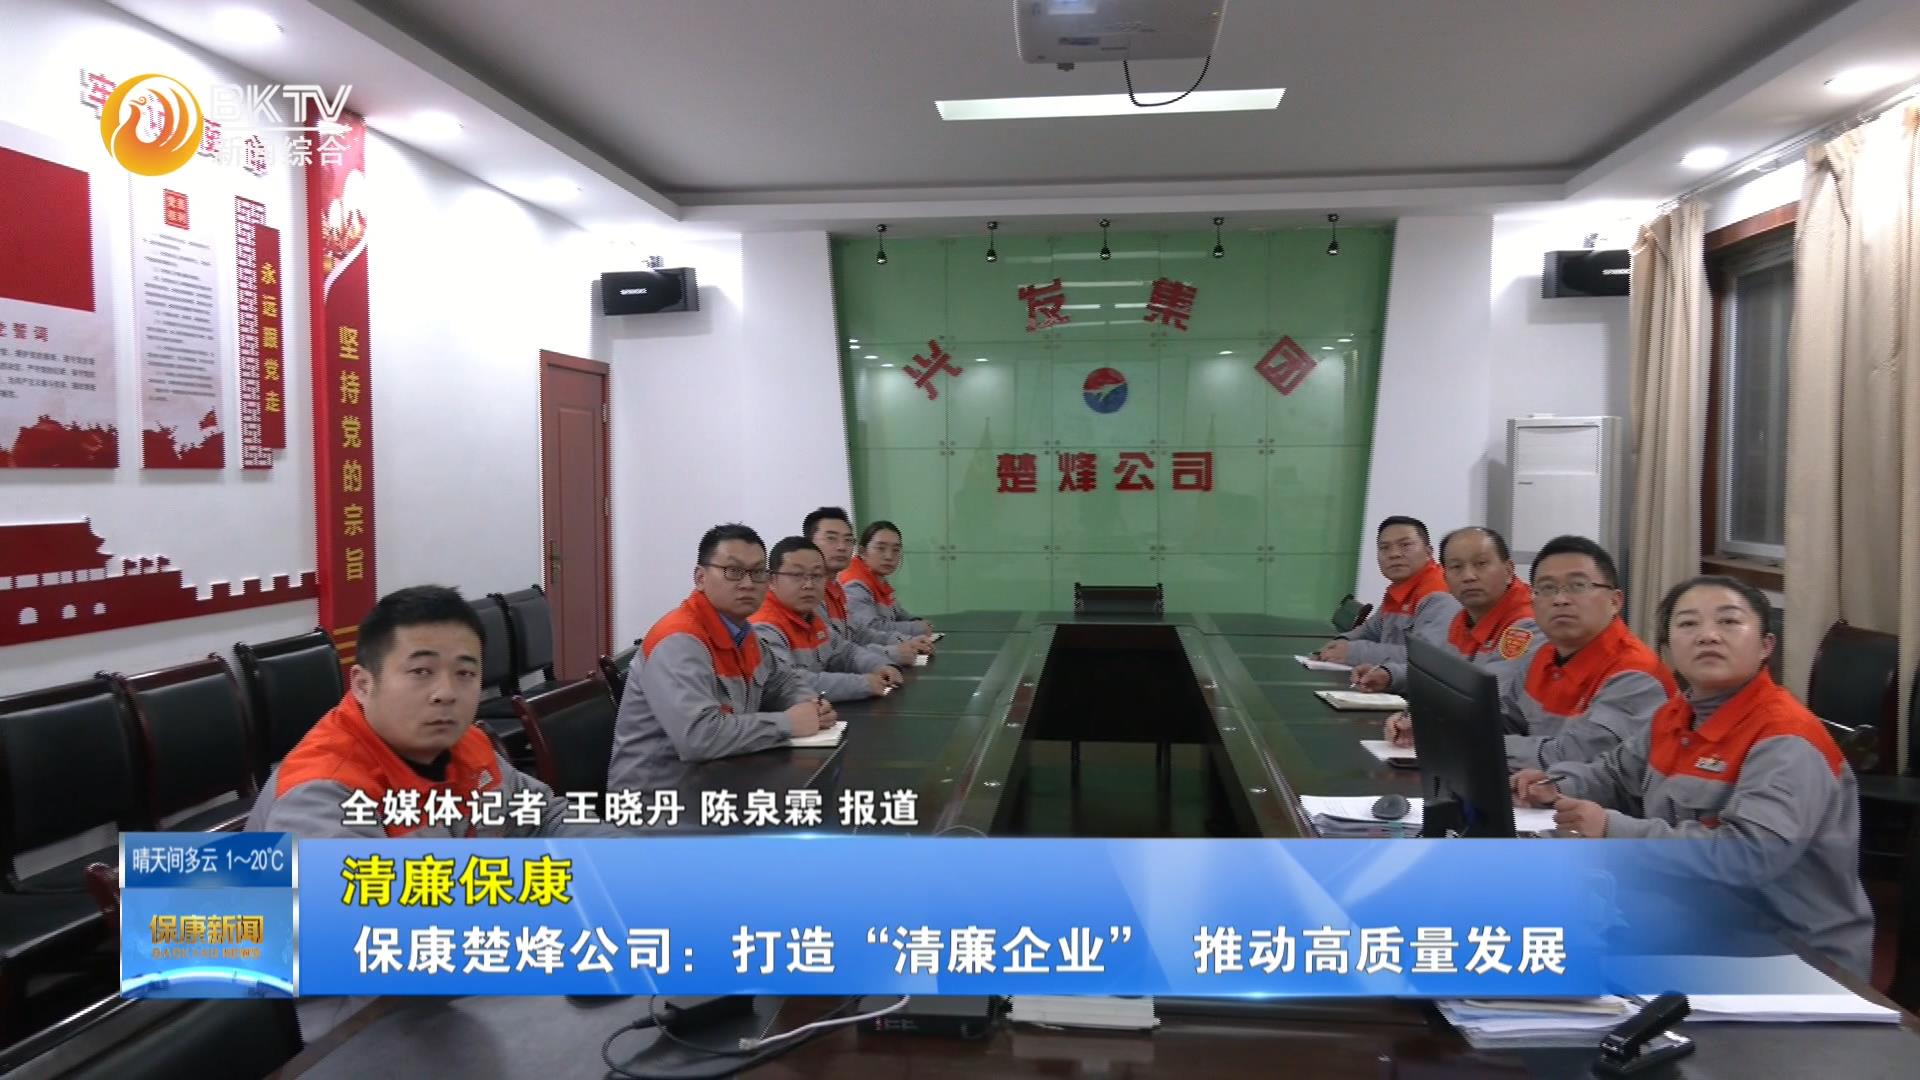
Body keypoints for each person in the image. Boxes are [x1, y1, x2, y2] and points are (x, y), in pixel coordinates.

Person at [1512, 576, 1875, 978]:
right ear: (1667, 649)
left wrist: (1612, 829)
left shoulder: (1786, 739)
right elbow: (1614, 774)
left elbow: (1749, 856)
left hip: (1787, 953)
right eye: (1688, 624)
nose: (1708, 636)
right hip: (1695, 916)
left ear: (1765, 645)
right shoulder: (1677, 714)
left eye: (1729, 622)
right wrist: (1555, 786)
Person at [247, 584, 587, 839]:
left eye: (465, 673)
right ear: (363, 685)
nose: (446, 693)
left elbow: (546, 817)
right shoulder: (319, 795)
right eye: (421, 671)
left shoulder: (469, 744)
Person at [608, 524, 835, 794]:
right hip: (661, 801)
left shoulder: (741, 631)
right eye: (733, 571)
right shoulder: (679, 641)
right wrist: (788, 724)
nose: (748, 583)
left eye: (757, 572)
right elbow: (699, 737)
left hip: (721, 780)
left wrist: (809, 704)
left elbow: (781, 681)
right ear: (700, 577)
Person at [1499, 534, 1676, 770]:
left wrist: (1486, 745)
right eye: (1547, 588)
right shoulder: (1544, 653)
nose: (1560, 599)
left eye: (1578, 586)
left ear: (1615, 601)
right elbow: (1505, 718)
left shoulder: (1636, 676)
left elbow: (1571, 758)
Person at [1375, 526, 1546, 744]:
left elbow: (1491, 703)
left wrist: (1426, 722)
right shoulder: (1463, 619)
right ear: (1445, 576)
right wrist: (1408, 710)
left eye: (1481, 564)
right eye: (1456, 567)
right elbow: (1438, 677)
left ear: (1508, 570)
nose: (1468, 576)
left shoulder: (1527, 627)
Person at [752, 536, 904, 702]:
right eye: (797, 575)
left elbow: (845, 652)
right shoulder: (764, 626)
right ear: (771, 580)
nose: (809, 585)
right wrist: (863, 684)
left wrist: (880, 665)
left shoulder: (809, 616)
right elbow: (791, 683)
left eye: (817, 575)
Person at [1314, 516, 1460, 667]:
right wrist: (1342, 642)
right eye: (1384, 547)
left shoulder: (1440, 594)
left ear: (1429, 552)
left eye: (1405, 545)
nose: (1394, 554)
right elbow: (1371, 630)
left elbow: (1424, 657)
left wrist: (1352, 652)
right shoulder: (1400, 589)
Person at [805, 506, 931, 662]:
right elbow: (833, 654)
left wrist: (906, 641)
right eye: (831, 538)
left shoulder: (836, 589)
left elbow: (858, 634)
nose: (842, 547)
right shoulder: (812, 593)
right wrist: (893, 651)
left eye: (848, 540)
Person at [839, 519, 933, 638]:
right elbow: (870, 628)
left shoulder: (877, 578)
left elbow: (897, 613)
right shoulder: (854, 584)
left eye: (896, 550)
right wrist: (917, 627)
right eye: (881, 548)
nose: (889, 556)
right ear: (862, 552)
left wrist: (916, 621)